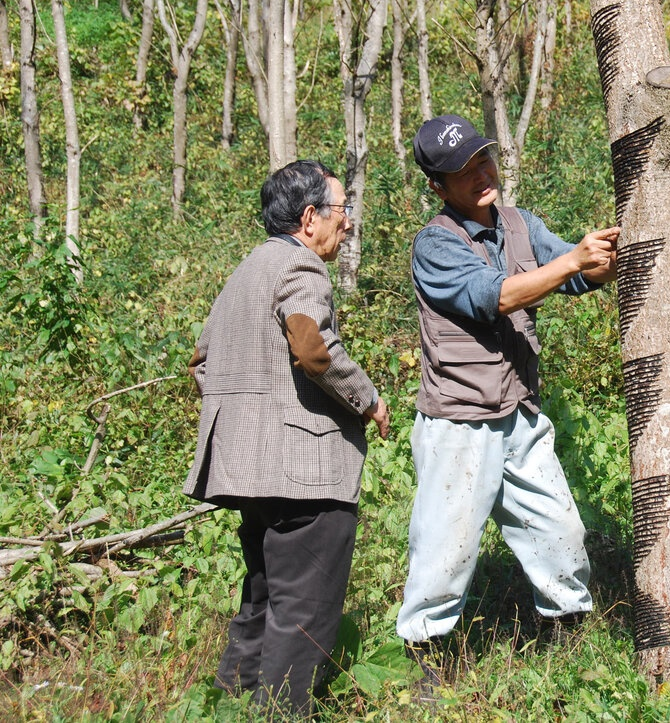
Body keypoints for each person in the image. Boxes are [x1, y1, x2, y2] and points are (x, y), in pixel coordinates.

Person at [396, 114, 619, 688]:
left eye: (483, 160)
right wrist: (572, 261)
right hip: (459, 422)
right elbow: (490, 296)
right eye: (462, 171)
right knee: (447, 548)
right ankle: (429, 656)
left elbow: (568, 272)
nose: (479, 175)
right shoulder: (434, 246)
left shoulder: (520, 224)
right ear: (438, 187)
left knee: (559, 529)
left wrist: (596, 262)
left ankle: (567, 631)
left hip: (518, 410)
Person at [184, 159, 391, 718]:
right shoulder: (302, 269)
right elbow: (311, 349)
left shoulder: (246, 269)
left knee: (264, 596)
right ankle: (277, 715)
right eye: (343, 209)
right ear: (309, 217)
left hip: (249, 471)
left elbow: (202, 362)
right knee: (305, 610)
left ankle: (229, 704)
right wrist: (368, 399)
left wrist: (250, 421)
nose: (348, 222)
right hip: (305, 473)